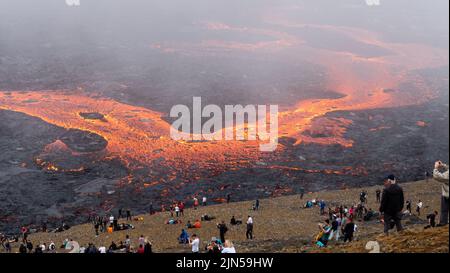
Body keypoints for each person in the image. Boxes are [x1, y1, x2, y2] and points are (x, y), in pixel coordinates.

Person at [433, 161, 449, 226]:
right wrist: (443, 165)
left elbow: (438, 177)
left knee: (444, 211)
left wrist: (436, 168)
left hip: (447, 195)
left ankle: (443, 224)